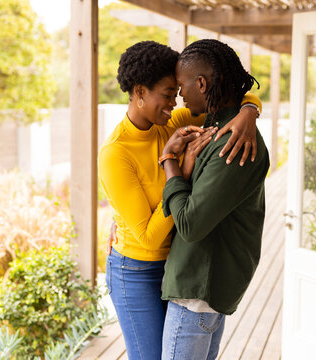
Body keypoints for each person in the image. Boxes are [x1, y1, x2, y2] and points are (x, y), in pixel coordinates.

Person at [98, 40, 262, 360]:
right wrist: (179, 171)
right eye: (166, 93)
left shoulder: (169, 122)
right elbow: (147, 237)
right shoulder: (116, 153)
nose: (174, 102)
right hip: (137, 270)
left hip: (173, 264)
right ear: (140, 91)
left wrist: (249, 111)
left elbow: (227, 95)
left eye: (176, 92)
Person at [158, 39, 270, 360]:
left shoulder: (232, 142)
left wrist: (170, 162)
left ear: (202, 83)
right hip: (200, 290)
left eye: (182, 87)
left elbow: (190, 224)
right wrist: (250, 108)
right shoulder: (218, 126)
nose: (180, 96)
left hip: (197, 292)